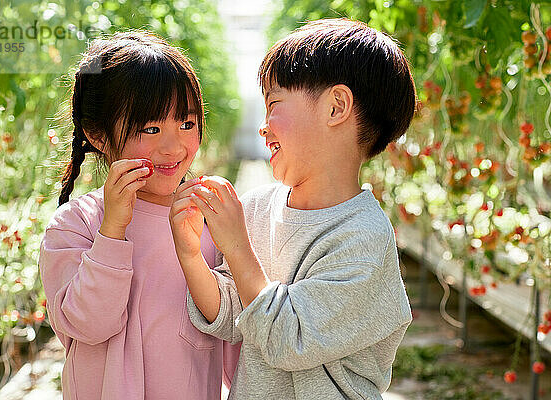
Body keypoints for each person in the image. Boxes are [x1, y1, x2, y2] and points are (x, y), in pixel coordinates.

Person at [169, 18, 416, 399]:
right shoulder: (256, 209)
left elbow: (290, 338)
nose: (263, 127)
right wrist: (190, 255)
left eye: (275, 105)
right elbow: (233, 315)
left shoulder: (364, 238)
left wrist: (236, 247)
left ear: (336, 107)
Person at [38, 30, 239, 400]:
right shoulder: (75, 225)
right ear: (98, 135)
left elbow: (237, 340)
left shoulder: (209, 220)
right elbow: (89, 324)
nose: (174, 145)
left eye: (187, 123)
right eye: (150, 128)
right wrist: (112, 231)